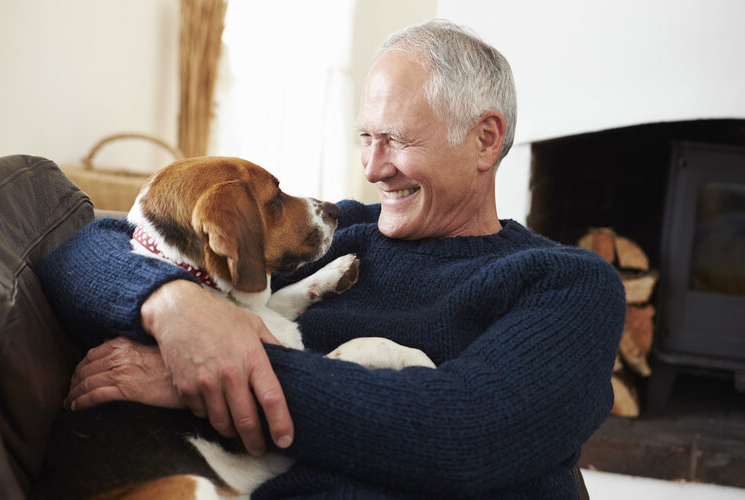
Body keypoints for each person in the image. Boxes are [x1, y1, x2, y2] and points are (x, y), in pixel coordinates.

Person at [38, 20, 625, 499]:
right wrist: (174, 306)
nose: (372, 167)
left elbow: (462, 436)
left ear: (485, 140)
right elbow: (78, 253)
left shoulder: (569, 285)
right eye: (365, 138)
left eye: (396, 139)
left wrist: (212, 374)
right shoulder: (344, 234)